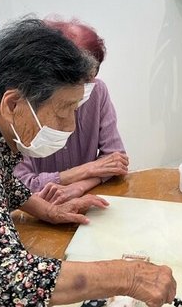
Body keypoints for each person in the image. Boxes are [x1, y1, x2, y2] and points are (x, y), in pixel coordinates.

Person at [0, 18, 176, 307]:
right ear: (12, 104)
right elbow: (5, 280)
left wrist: (45, 209)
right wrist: (129, 276)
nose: (71, 126)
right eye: (63, 111)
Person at [14, 18, 128, 204]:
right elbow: (19, 187)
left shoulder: (97, 91)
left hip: (87, 199)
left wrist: (78, 187)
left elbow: (116, 161)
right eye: (76, 80)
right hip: (38, 208)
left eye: (89, 78)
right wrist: (87, 170)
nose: (83, 88)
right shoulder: (24, 104)